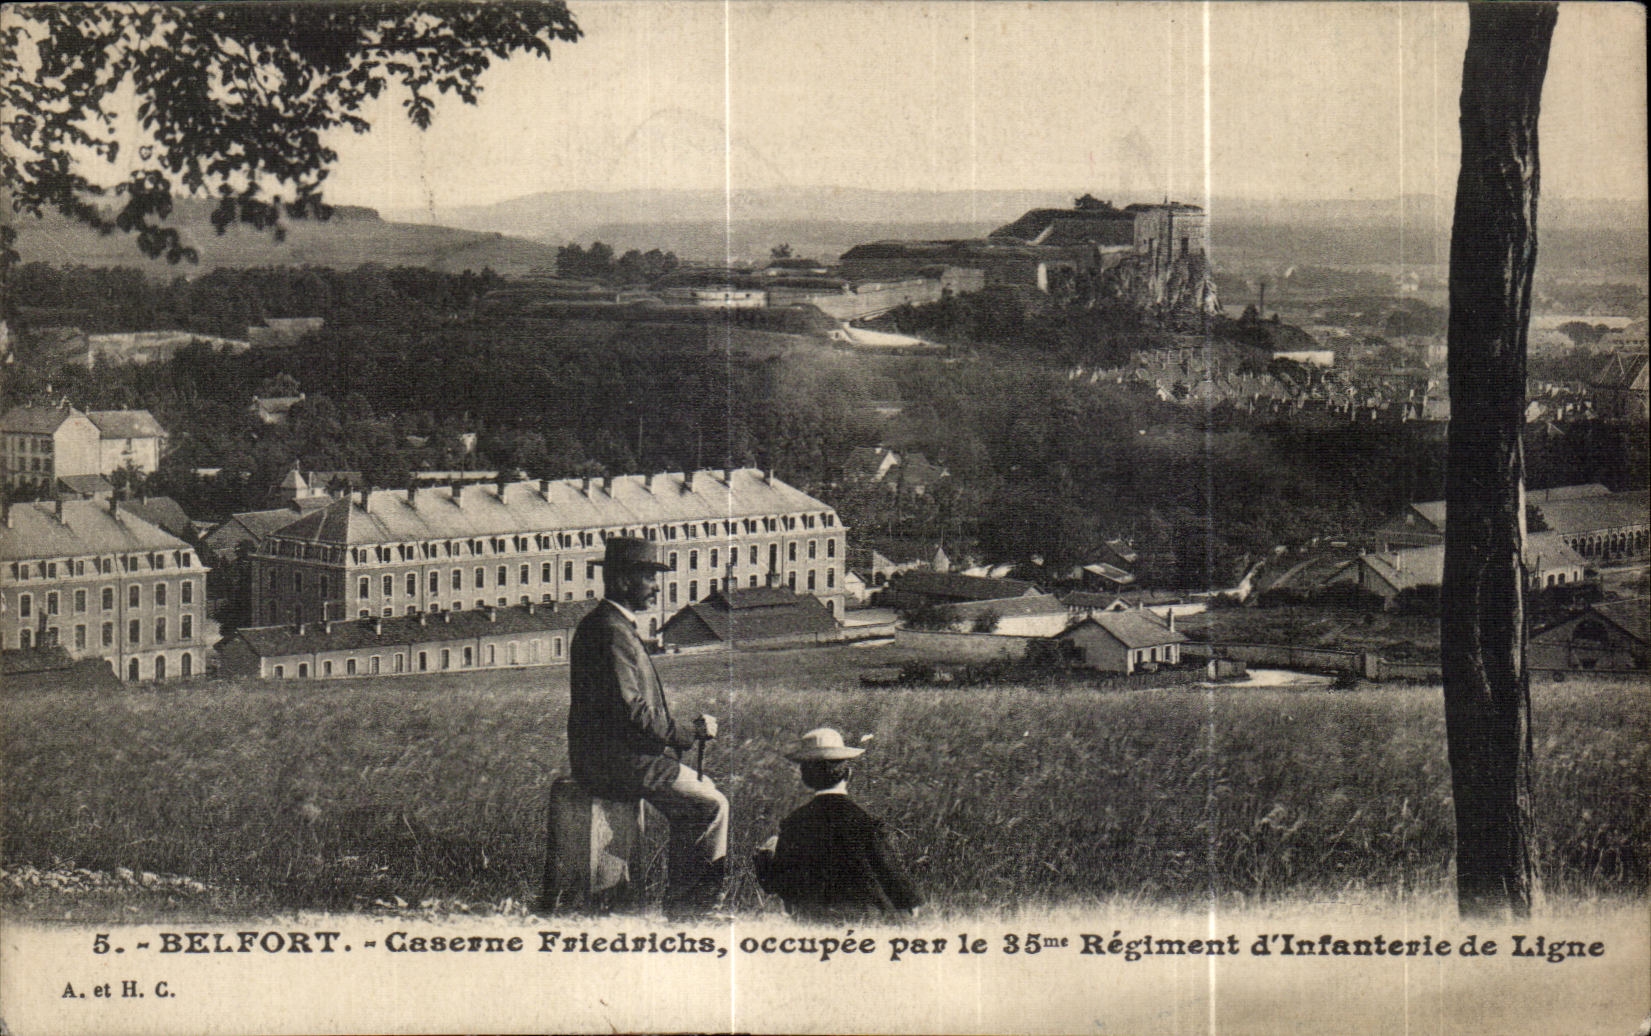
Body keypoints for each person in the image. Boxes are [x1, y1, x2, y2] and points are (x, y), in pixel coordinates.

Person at [567, 536, 728, 919]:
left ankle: (685, 903)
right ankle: (694, 909)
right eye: (650, 577)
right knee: (712, 805)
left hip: (616, 758)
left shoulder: (608, 625)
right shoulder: (612, 631)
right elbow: (632, 710)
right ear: (624, 580)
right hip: (619, 763)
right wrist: (687, 733)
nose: (657, 586)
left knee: (703, 796)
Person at [753, 727, 922, 922]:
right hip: (863, 918)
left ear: (805, 778)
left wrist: (765, 857)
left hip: (811, 918)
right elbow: (888, 868)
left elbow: (778, 884)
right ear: (848, 774)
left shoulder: (793, 824)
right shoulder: (865, 822)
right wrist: (909, 901)